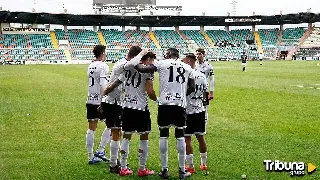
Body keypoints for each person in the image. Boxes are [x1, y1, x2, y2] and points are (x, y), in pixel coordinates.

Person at [128, 48, 195, 179]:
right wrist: (181, 95)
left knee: (163, 135)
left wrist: (135, 59)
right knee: (180, 136)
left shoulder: (161, 63)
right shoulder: (187, 67)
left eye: (166, 54)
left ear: (169, 54)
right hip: (179, 105)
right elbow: (192, 87)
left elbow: (142, 68)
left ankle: (165, 170)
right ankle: (182, 170)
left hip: (165, 104)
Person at [103, 51, 156, 177]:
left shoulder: (127, 70)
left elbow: (113, 85)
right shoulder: (148, 72)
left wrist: (103, 95)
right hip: (141, 108)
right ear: (146, 59)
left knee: (126, 137)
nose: (152, 62)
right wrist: (158, 100)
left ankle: (123, 167)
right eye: (151, 60)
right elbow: (150, 91)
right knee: (144, 137)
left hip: (127, 107)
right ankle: (142, 168)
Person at [101, 46, 143, 174]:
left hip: (113, 101)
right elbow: (134, 64)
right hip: (113, 102)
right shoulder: (125, 64)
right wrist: (143, 54)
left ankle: (115, 161)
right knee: (116, 134)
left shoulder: (121, 63)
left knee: (116, 132)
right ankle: (114, 164)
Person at [182, 53, 208, 174]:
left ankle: (190, 166)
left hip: (188, 110)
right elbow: (205, 93)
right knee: (201, 137)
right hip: (200, 110)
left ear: (189, 61)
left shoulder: (185, 75)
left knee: (187, 138)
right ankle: (203, 164)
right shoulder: (202, 76)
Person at [85, 45, 110, 164]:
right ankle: (100, 150)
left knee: (91, 128)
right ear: (103, 53)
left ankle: (90, 156)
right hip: (100, 101)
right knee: (112, 125)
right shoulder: (103, 66)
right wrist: (103, 100)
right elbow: (102, 85)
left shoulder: (90, 65)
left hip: (90, 99)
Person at [195, 48, 214, 122]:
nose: (198, 56)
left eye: (200, 54)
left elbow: (212, 79)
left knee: (204, 108)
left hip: (204, 90)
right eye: (197, 54)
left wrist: (211, 92)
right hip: (194, 90)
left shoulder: (208, 66)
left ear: (204, 55)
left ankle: (203, 128)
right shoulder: (194, 65)